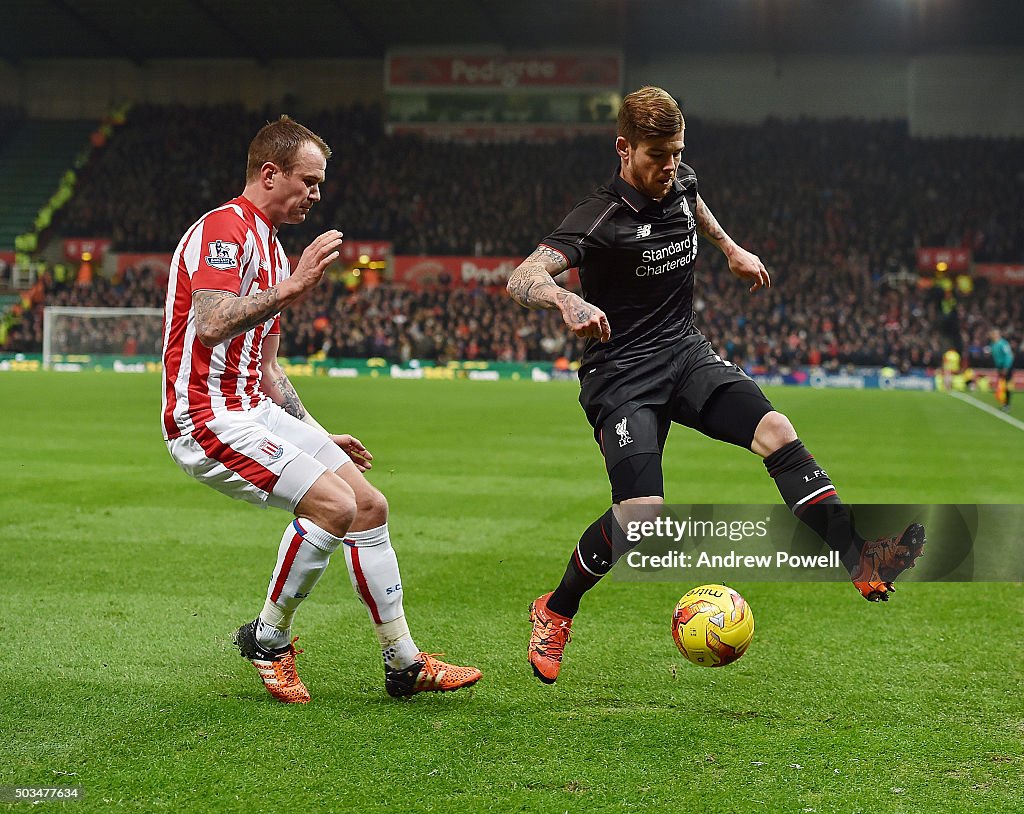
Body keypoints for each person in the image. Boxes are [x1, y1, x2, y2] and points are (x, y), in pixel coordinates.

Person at [507, 87, 925, 685]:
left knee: (777, 432)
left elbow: (694, 201)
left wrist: (730, 247)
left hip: (685, 354)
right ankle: (556, 609)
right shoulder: (598, 217)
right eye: (657, 155)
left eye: (677, 152)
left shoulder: (680, 179)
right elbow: (520, 277)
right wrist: (563, 296)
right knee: (642, 512)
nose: (670, 166)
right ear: (623, 149)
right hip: (622, 373)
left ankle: (859, 557)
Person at [160, 116, 480, 703]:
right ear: (269, 173)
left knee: (369, 504)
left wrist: (317, 432)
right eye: (308, 181)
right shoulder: (223, 233)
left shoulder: (274, 250)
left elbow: (270, 368)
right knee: (333, 506)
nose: (316, 194)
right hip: (205, 417)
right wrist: (291, 288)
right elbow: (208, 322)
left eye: (319, 183)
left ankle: (403, 662)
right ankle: (269, 639)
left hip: (254, 407)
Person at [988, 328, 1015, 411]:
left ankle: (1007, 404)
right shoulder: (993, 344)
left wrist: (1006, 367)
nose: (991, 335)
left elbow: (1009, 356)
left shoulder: (1003, 344)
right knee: (1002, 385)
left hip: (1006, 367)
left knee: (1007, 385)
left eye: (993, 334)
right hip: (1000, 367)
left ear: (997, 335)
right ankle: (1004, 403)